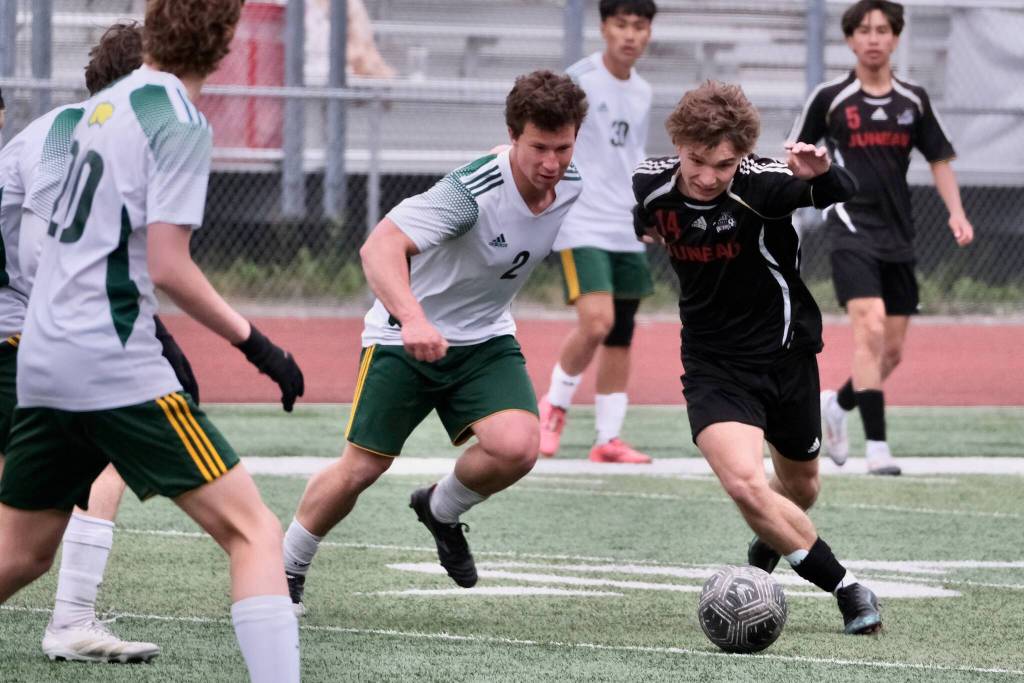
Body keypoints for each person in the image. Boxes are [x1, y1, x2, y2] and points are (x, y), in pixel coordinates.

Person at [0, 2, 304, 680]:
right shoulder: (179, 120)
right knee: (252, 530)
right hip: (107, 358)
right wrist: (257, 344)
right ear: (225, 41)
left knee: (20, 553)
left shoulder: (97, 113)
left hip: (43, 352)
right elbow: (170, 266)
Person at [282, 70, 587, 613]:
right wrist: (413, 318)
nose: (551, 163)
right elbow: (380, 247)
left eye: (562, 148)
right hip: (405, 337)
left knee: (518, 447)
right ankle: (284, 569)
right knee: (362, 467)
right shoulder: (471, 193)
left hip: (486, 338)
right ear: (513, 137)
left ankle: (440, 509)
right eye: (538, 147)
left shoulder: (573, 181)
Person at [633, 81, 881, 634]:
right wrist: (649, 233)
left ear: (740, 156)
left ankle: (772, 532)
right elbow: (646, 215)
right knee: (745, 483)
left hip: (786, 356)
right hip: (713, 365)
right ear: (678, 145)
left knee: (802, 489)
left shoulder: (763, 185)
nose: (706, 176)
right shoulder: (650, 181)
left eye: (722, 164)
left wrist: (821, 174)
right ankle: (848, 589)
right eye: (696, 161)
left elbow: (842, 189)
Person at [0, 21, 195, 664]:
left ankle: (71, 619)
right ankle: (71, 619)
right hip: (23, 333)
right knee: (87, 462)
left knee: (26, 529)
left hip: (34, 329)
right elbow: (41, 255)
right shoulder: (73, 134)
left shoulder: (92, 134)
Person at [789, 0, 973, 475]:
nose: (873, 38)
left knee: (891, 352)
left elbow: (939, 159)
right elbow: (794, 153)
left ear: (895, 38)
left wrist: (957, 213)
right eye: (864, 30)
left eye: (882, 30)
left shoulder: (913, 100)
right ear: (850, 39)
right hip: (850, 225)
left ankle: (837, 406)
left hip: (899, 233)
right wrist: (804, 177)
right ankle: (878, 449)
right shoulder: (830, 97)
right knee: (868, 329)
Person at [538, 0, 657, 464]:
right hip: (582, 221)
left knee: (621, 333)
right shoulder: (578, 82)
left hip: (625, 223)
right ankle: (554, 406)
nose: (630, 35)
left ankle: (608, 438)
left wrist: (648, 212)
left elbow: (632, 159)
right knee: (597, 321)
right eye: (621, 25)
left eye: (639, 26)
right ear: (605, 27)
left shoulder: (643, 91)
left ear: (649, 33)